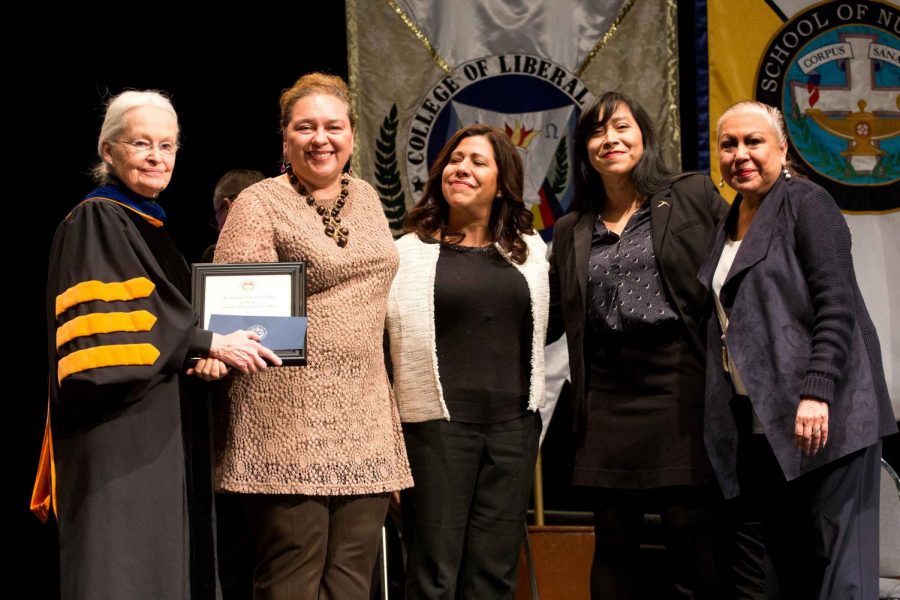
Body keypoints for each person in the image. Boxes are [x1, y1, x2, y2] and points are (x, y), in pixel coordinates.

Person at [41, 89, 280, 600]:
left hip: (164, 422)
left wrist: (205, 354)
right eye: (141, 143)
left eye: (167, 146)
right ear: (108, 151)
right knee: (128, 567)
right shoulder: (97, 219)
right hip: (121, 434)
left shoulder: (148, 224)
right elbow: (108, 335)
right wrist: (206, 341)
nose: (156, 157)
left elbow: (168, 325)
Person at [212, 72, 413, 599]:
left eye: (333, 126)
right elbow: (236, 317)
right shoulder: (259, 203)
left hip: (365, 415)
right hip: (286, 418)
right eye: (305, 127)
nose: (320, 138)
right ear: (285, 139)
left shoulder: (367, 198)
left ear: (350, 135)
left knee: (351, 582)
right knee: (292, 579)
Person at [700, 100, 896, 599]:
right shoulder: (731, 220)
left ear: (782, 148)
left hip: (831, 413)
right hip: (768, 421)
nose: (740, 154)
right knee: (791, 568)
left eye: (754, 141)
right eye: (729, 144)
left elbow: (837, 303)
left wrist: (817, 391)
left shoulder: (808, 202)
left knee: (841, 573)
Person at [547, 91, 730, 599]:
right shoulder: (571, 230)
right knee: (613, 542)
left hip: (680, 386)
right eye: (597, 132)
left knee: (691, 533)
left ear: (644, 136)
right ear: (585, 150)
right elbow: (552, 319)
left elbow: (737, 267)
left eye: (621, 127)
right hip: (605, 396)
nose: (610, 140)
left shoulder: (689, 194)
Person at [386, 124, 549, 598]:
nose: (462, 169)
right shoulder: (407, 254)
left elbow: (548, 325)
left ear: (503, 182)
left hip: (513, 430)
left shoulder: (532, 252)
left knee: (494, 576)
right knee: (433, 575)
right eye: (456, 160)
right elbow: (382, 350)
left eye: (479, 162)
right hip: (435, 431)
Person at [201, 169, 265, 263]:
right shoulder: (284, 244)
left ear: (227, 206)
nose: (218, 228)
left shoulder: (215, 254)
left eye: (217, 214)